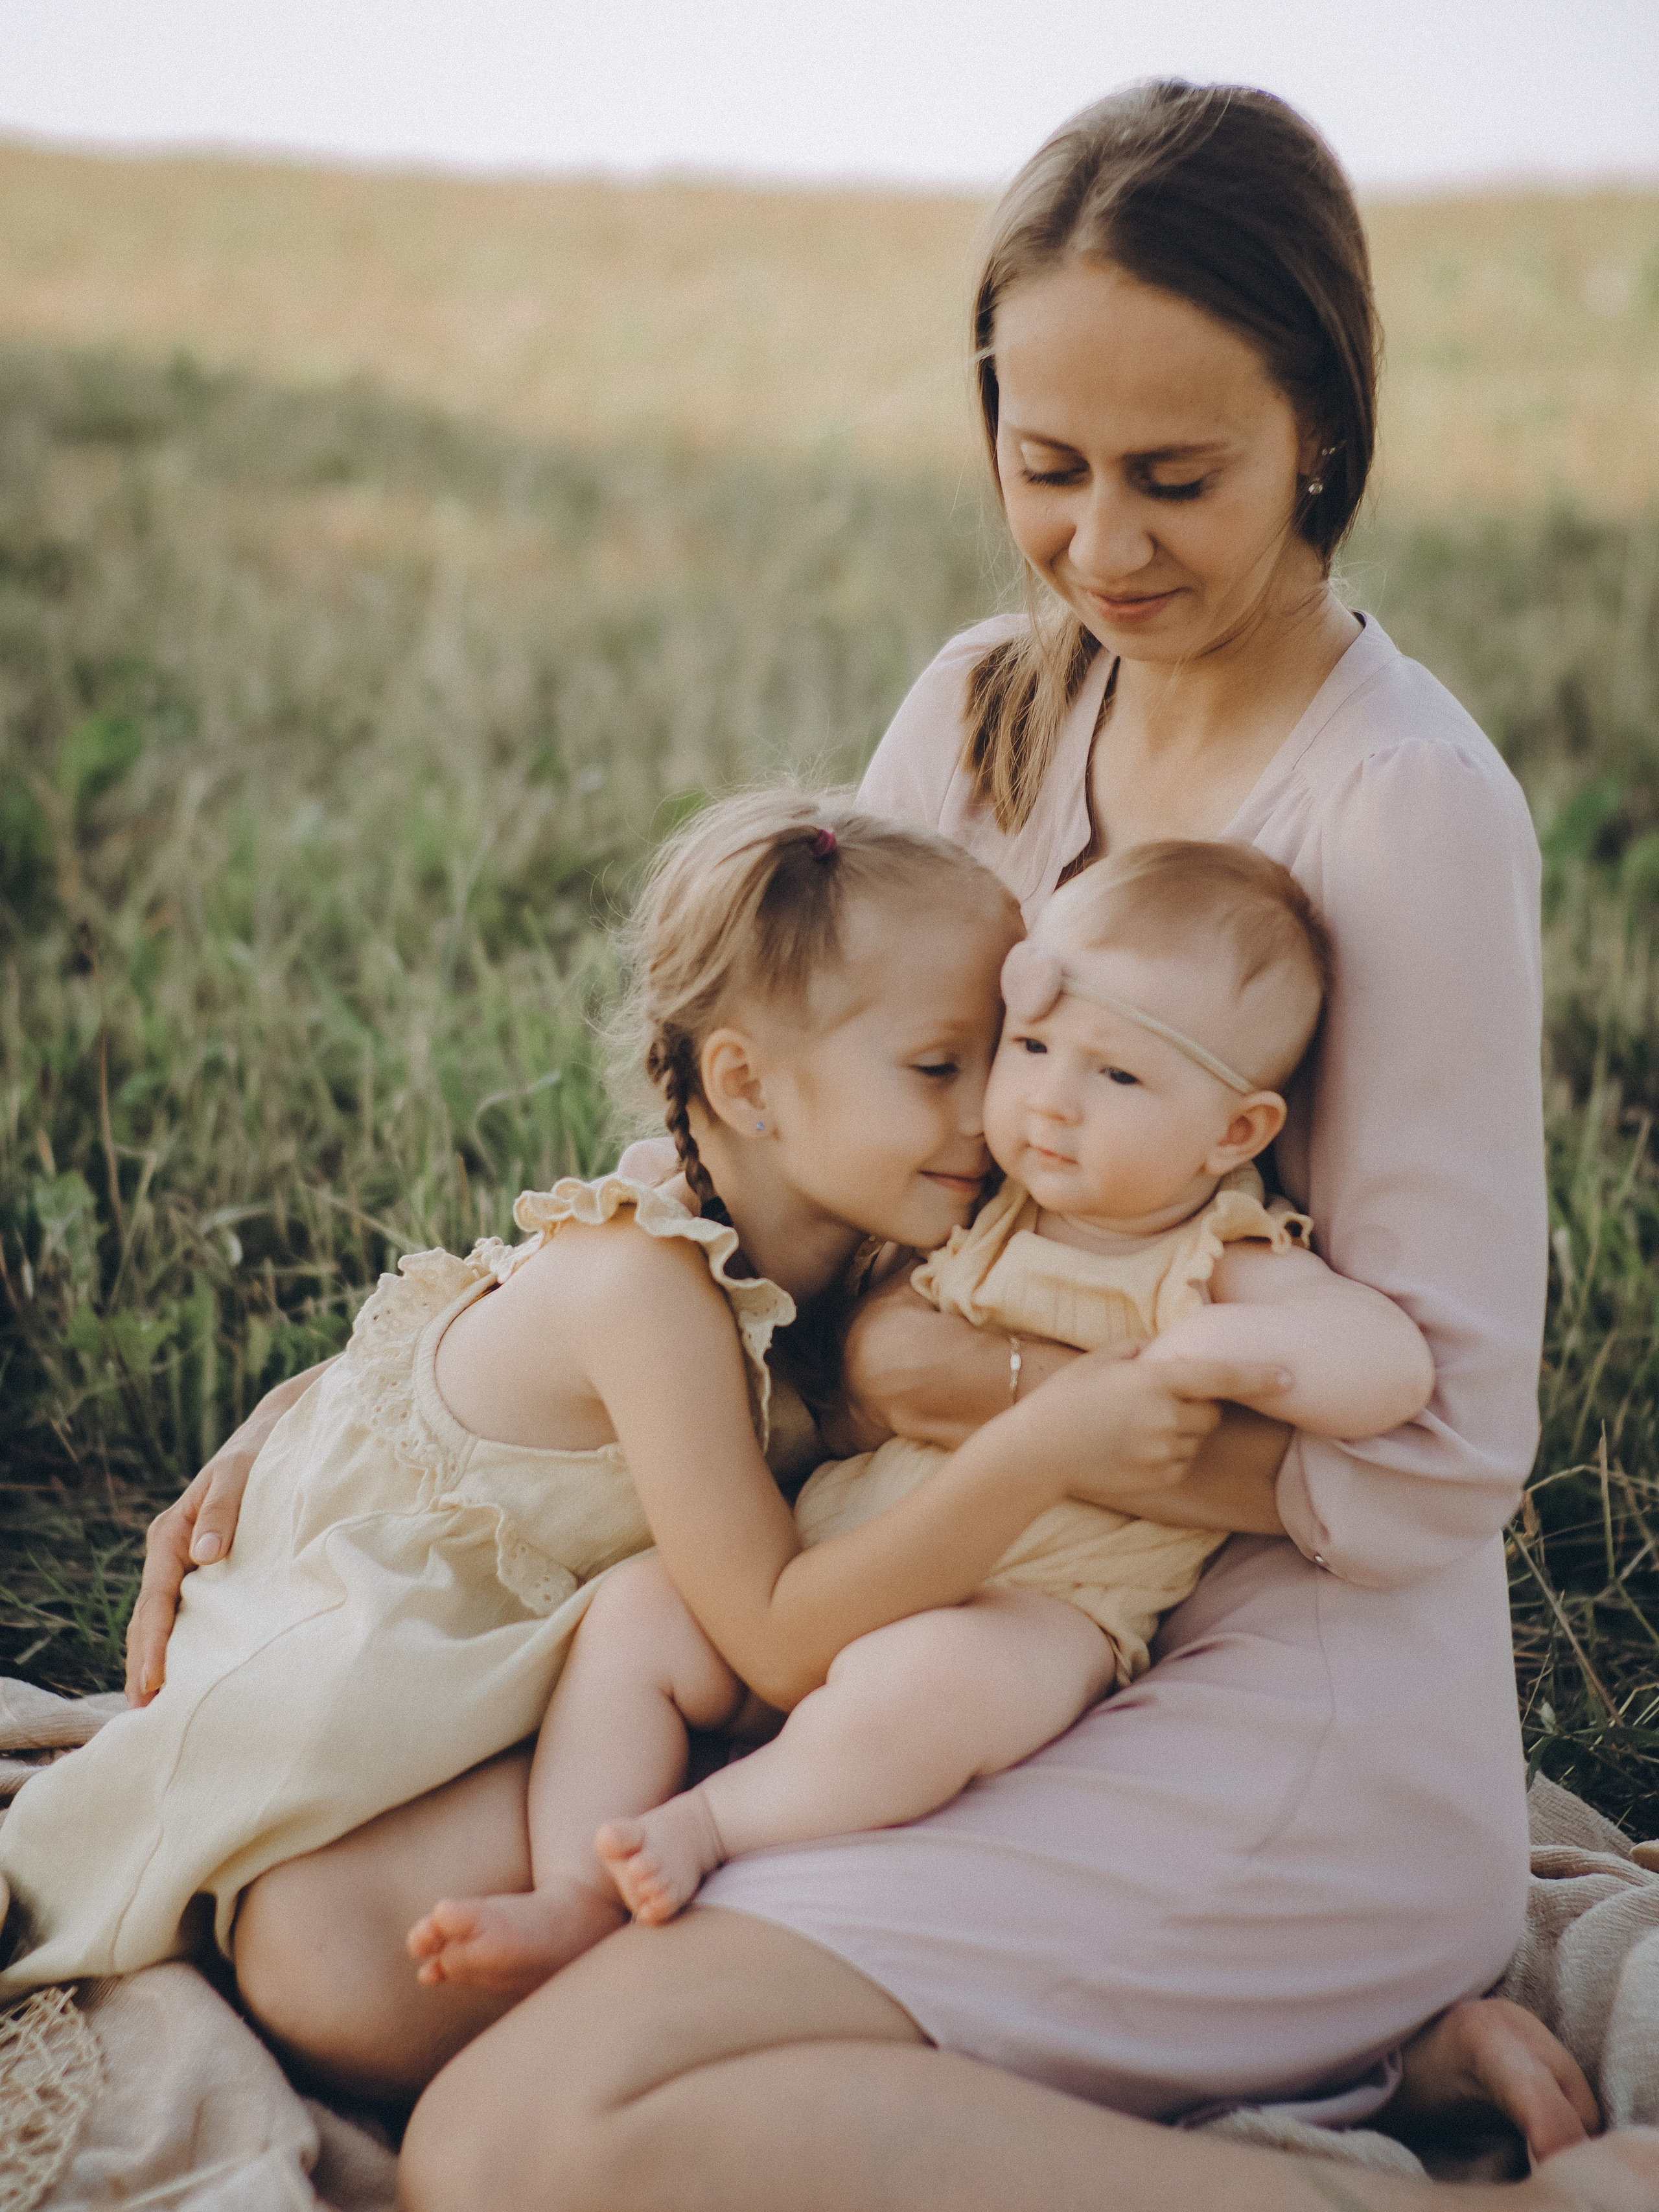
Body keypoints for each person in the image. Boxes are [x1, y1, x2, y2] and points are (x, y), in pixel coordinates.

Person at [122, 80, 1659, 2209]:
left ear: (1326, 427)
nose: (1104, 545)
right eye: (1048, 468)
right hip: (901, 1583)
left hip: (1230, 1683)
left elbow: (1443, 1453)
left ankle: (1371, 2131)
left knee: (520, 2142)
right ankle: (1261, 2062)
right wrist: (372, 1395)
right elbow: (774, 1172)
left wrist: (947, 1379)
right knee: (328, 1956)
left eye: (1179, 478)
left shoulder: (1408, 806)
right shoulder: (978, 712)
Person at [1, 793, 1277, 2034]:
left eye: (994, 1065)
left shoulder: (862, 1218)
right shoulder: (646, 1284)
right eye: (938, 1068)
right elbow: (775, 1641)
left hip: (541, 1658)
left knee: (350, 1959)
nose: (987, 1117)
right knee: (336, 1965)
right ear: (745, 1085)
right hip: (374, 1648)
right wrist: (1034, 1445)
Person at [408, 840, 1435, 1975]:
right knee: (642, 1611)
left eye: (1119, 1076)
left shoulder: (1206, 1256)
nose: (1048, 1101)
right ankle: (571, 1889)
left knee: (932, 1687)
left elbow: (1385, 1364)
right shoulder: (981, 1204)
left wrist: (1218, 1350)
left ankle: (713, 1824)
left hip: (1040, 1607)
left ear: (1235, 1134)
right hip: (858, 1548)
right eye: (1029, 1048)